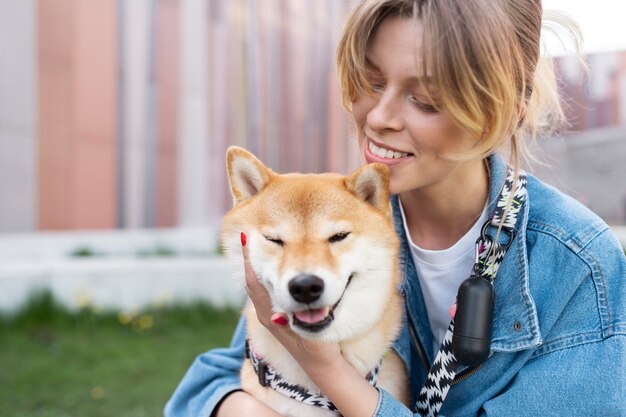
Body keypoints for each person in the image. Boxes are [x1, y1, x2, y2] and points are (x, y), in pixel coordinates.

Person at [165, 0, 626, 415]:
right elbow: (220, 377)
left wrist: (328, 371)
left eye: (424, 100)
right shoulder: (345, 215)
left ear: (506, 110)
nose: (379, 117)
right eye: (370, 81)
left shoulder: (577, 265)